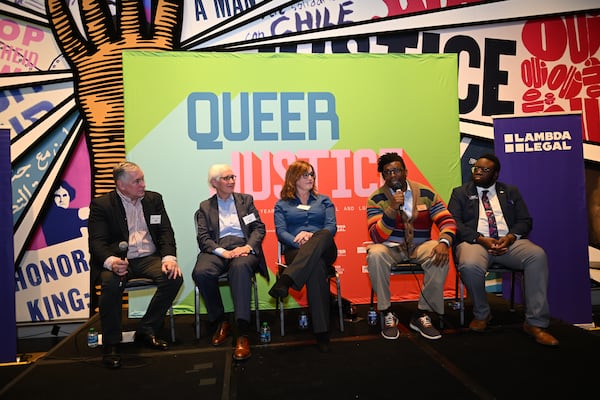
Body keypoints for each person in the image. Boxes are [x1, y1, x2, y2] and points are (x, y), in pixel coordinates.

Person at [447, 153, 559, 346]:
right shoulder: (460, 193)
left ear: (496, 174)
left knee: (537, 256)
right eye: (476, 169)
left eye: (485, 170)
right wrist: (481, 239)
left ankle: (535, 323)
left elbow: (525, 221)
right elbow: (454, 223)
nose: (478, 172)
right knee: (469, 264)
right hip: (476, 242)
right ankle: (482, 314)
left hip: (510, 243)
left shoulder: (510, 191)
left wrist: (509, 237)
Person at [88, 161, 184, 369]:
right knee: (111, 285)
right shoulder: (102, 205)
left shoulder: (153, 199)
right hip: (119, 260)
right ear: (121, 185)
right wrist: (112, 262)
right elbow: (97, 242)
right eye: (137, 181)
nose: (143, 184)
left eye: (143, 179)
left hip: (149, 258)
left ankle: (146, 329)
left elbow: (166, 232)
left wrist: (168, 258)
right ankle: (112, 343)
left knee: (173, 277)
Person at [366, 152, 456, 340]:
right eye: (387, 172)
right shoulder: (376, 198)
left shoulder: (425, 193)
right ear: (383, 176)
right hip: (391, 248)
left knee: (438, 254)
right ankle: (386, 312)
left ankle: (422, 313)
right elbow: (376, 236)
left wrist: (444, 242)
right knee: (375, 253)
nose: (392, 175)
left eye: (396, 170)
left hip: (420, 245)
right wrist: (391, 209)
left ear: (405, 172)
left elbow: (447, 220)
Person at [192, 164, 268, 361]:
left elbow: (258, 228)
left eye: (233, 177)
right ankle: (220, 321)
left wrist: (247, 247)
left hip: (243, 246)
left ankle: (242, 333)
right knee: (201, 272)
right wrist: (223, 253)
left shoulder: (246, 201)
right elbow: (203, 238)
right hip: (218, 249)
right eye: (226, 178)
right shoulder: (205, 207)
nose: (232, 181)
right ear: (214, 183)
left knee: (241, 268)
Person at [268, 160, 338, 353]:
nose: (310, 178)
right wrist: (297, 241)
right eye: (306, 174)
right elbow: (281, 232)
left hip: (325, 248)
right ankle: (322, 331)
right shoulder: (282, 204)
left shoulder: (323, 200)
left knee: (322, 234)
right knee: (315, 268)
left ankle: (287, 278)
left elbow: (331, 227)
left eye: (312, 174)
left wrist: (311, 236)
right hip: (295, 250)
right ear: (294, 178)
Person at [42, 180, 89, 246]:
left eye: (64, 195)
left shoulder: (72, 217)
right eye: (57, 196)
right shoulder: (50, 215)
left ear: (69, 197)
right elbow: (83, 213)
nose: (61, 199)